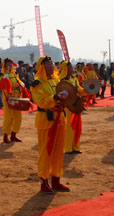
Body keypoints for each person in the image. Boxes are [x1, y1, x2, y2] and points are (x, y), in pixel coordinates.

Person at [31, 56, 70, 193]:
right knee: (46, 151)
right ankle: (44, 180)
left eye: (52, 64)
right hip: (46, 120)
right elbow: (41, 101)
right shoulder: (37, 84)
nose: (51, 66)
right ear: (41, 67)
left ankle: (56, 179)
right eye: (47, 64)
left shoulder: (57, 81)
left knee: (58, 151)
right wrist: (56, 97)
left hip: (60, 119)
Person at [0, 58, 27, 144]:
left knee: (18, 118)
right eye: (7, 64)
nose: (9, 65)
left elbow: (18, 81)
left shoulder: (13, 74)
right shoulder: (2, 74)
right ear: (4, 65)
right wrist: (3, 79)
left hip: (17, 98)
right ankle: (5, 135)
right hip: (8, 99)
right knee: (8, 118)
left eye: (10, 64)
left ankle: (13, 134)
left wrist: (21, 84)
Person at [58, 61, 86, 154]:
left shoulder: (74, 79)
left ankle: (76, 147)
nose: (71, 69)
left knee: (77, 125)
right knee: (69, 126)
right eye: (69, 67)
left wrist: (86, 90)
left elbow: (79, 89)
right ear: (65, 69)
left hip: (76, 104)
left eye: (71, 67)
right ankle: (68, 148)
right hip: (68, 106)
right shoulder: (62, 81)